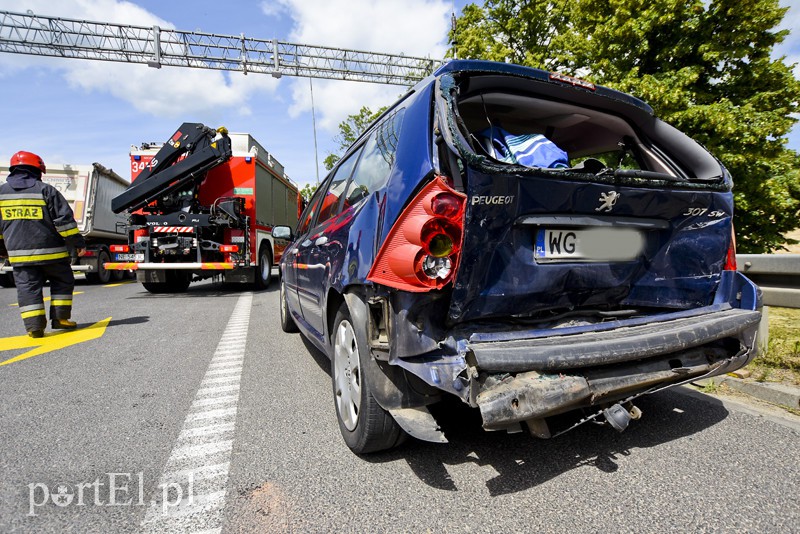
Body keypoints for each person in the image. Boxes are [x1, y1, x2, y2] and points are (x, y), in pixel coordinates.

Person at [0, 151, 85, 338]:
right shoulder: (46, 190)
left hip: (20, 256)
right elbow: (65, 222)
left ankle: (34, 327)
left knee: (27, 288)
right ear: (37, 170)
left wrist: (3, 250)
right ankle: (61, 319)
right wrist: (77, 243)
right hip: (53, 254)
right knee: (63, 281)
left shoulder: (1, 193)